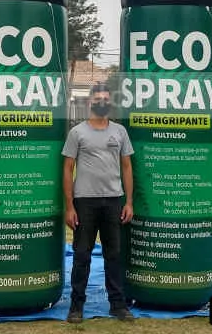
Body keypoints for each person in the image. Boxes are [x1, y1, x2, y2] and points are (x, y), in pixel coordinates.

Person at [61, 83, 135, 323]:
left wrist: (128, 202)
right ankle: (76, 307)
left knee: (114, 255)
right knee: (82, 255)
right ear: (90, 102)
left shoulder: (120, 132)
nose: (102, 102)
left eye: (106, 99)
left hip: (113, 201)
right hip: (85, 203)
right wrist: (70, 206)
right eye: (98, 99)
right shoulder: (77, 132)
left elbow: (127, 167)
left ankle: (118, 305)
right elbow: (67, 168)